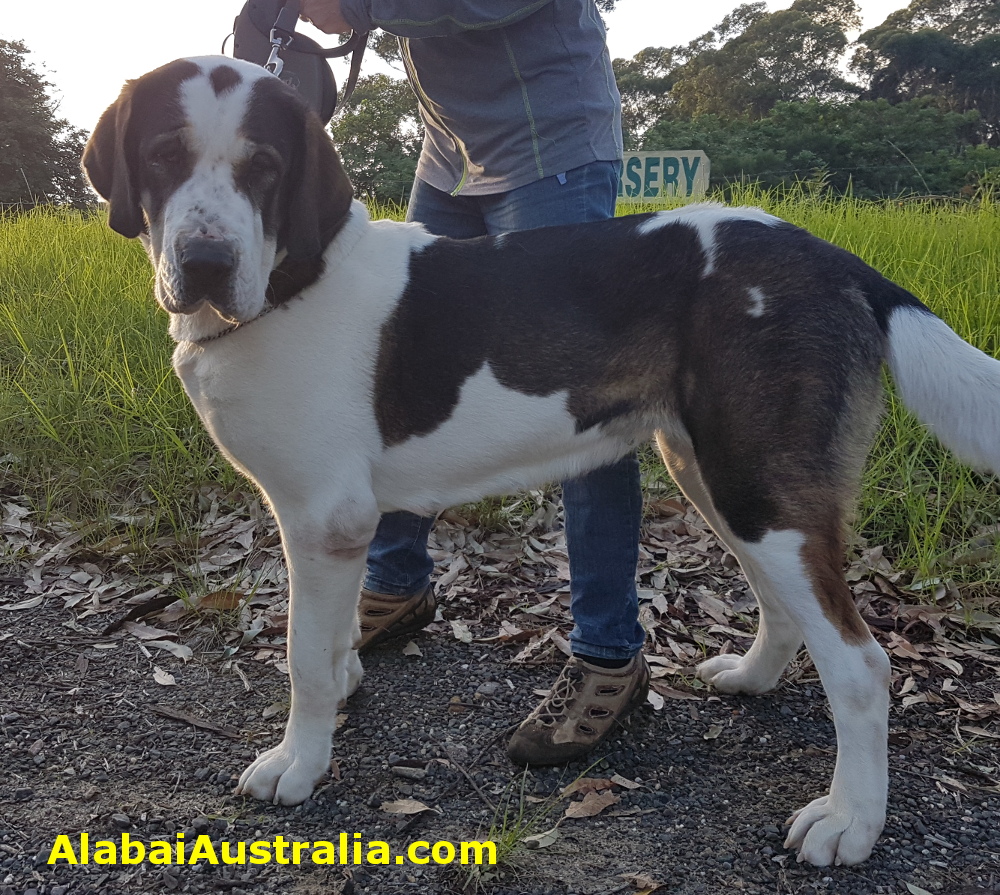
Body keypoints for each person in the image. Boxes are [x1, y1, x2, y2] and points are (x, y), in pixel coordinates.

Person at [300, 0, 650, 766]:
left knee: (587, 396)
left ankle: (608, 651)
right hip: (449, 154)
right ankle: (396, 580)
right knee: (407, 356)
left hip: (552, 140)